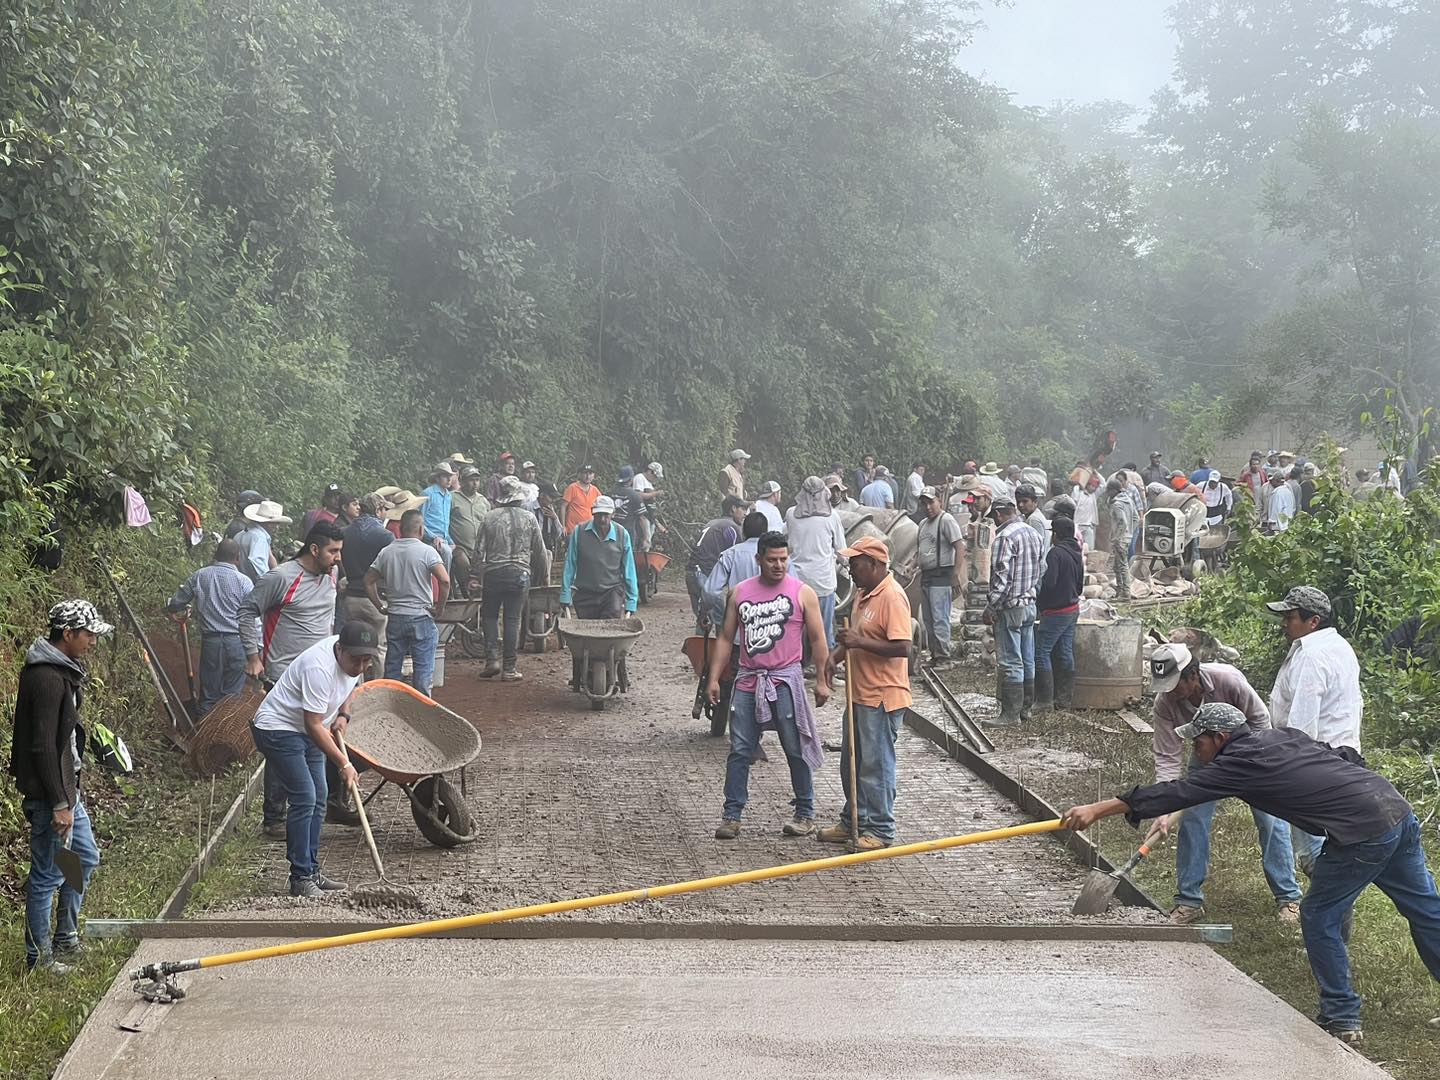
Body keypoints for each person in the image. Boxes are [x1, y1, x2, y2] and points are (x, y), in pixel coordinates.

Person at [1062, 701, 1440, 1046]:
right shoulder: (1280, 737)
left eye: (1199, 743)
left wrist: (1098, 809)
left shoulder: (1238, 764)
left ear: (1220, 738)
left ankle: (1342, 1017)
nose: (1197, 751)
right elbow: (1344, 755)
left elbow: (1181, 791)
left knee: (1319, 915)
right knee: (1425, 909)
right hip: (1395, 809)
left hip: (1362, 833)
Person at [1148, 645, 1302, 925]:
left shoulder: (1228, 680)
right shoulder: (1165, 704)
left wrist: (1251, 763)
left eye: (1174, 685)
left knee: (1271, 820)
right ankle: (1188, 901)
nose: (1169, 692)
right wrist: (1164, 807)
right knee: (1192, 819)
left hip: (1250, 757)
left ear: (1192, 675)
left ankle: (1288, 898)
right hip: (1205, 759)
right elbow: (1167, 756)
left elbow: (1260, 721)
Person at [11, 600, 112, 973]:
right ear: (67, 634)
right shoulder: (47, 677)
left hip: (68, 790)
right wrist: (57, 803)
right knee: (46, 875)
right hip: (52, 796)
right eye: (87, 635)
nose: (92, 642)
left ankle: (65, 937)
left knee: (83, 857)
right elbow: (41, 746)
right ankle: (39, 958)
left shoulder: (62, 670)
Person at [709, 532, 831, 840]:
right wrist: (713, 678)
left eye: (783, 559)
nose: (779, 565)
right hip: (749, 679)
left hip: (786, 680)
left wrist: (821, 680)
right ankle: (731, 815)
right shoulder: (739, 593)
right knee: (740, 749)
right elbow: (725, 637)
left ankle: (804, 813)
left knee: (795, 746)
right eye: (772, 559)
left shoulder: (803, 593)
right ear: (758, 559)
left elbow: (818, 639)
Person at [250, 625, 381, 898]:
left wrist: (344, 715)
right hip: (278, 729)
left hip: (307, 728)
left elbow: (348, 687)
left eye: (366, 660)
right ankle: (300, 878)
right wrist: (343, 763)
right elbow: (313, 724)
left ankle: (311, 870)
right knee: (305, 796)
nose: (360, 666)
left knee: (319, 796)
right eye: (355, 659)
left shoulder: (354, 658)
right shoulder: (318, 668)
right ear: (340, 649)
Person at [239, 521, 347, 834]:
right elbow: (247, 610)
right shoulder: (281, 577)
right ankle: (274, 817)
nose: (338, 557)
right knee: (286, 743)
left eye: (340, 551)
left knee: (315, 739)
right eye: (333, 551)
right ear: (315, 549)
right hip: (284, 675)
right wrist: (252, 655)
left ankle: (321, 806)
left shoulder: (331, 576)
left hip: (321, 676)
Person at [819, 536, 913, 851]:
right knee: (852, 762)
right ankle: (853, 820)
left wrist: (859, 643)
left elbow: (903, 648)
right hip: (859, 694)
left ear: (873, 564)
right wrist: (833, 657)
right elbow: (853, 638)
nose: (851, 571)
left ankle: (881, 829)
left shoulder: (892, 597)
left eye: (855, 564)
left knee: (875, 765)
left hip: (882, 696)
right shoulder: (863, 594)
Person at [1267, 586, 1363, 876]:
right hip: (1343, 756)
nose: (1285, 623)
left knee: (1315, 855)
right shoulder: (1339, 647)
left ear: (1314, 621)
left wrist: (1289, 766)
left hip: (1314, 759)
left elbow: (1303, 724)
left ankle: (1328, 916)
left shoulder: (1312, 655)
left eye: (1291, 617)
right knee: (1331, 848)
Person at [366, 508, 449, 696]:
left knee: (393, 669)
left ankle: (391, 708)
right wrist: (440, 608)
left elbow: (368, 581)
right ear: (421, 530)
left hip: (395, 616)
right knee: (423, 670)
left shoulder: (386, 552)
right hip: (421, 616)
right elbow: (444, 580)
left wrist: (380, 605)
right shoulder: (427, 552)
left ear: (401, 529)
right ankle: (422, 711)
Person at [165, 539, 254, 715]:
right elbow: (252, 619)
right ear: (237, 558)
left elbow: (177, 601)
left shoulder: (200, 575)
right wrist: (256, 651)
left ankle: (201, 737)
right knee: (232, 698)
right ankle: (225, 735)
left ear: (215, 554)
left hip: (211, 642)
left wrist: (173, 607)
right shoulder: (245, 582)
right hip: (237, 643)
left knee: (209, 696)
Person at [474, 476, 550, 680]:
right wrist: (543, 577)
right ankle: (509, 668)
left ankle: (492, 660)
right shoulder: (529, 519)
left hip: (494, 573)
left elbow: (478, 551)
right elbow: (540, 552)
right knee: (512, 619)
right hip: (520, 574)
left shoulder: (489, 517)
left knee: (490, 616)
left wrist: (474, 575)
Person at [984, 495, 1043, 726]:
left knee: (1010, 661)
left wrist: (991, 606)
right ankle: (1025, 709)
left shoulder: (1004, 538)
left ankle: (1009, 714)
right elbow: (1041, 569)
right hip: (1029, 605)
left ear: (999, 514)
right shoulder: (1033, 533)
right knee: (1027, 659)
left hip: (1010, 607)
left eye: (994, 518)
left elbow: (1002, 579)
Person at [784, 476, 847, 649]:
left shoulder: (791, 514)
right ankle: (826, 668)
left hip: (798, 582)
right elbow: (842, 550)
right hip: (823, 582)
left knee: (797, 626)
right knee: (824, 629)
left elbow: (785, 538)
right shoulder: (832, 516)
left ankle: (798, 666)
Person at [1034, 515, 1083, 712]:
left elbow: (1049, 583)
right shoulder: (1076, 553)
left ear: (1057, 534)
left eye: (1053, 533)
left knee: (1041, 653)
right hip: (1072, 609)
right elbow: (1079, 585)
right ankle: (1064, 701)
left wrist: (1042, 602)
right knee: (1064, 653)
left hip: (1055, 611)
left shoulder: (1055, 554)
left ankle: (1044, 701)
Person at [339, 492, 393, 664]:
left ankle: (356, 687)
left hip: (351, 597)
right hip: (376, 598)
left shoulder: (343, 532)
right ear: (378, 510)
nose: (385, 513)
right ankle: (380, 689)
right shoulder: (385, 536)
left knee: (353, 647)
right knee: (379, 647)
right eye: (384, 509)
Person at [916, 485, 963, 666]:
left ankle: (944, 657)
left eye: (931, 503)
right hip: (926, 577)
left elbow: (959, 546)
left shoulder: (946, 520)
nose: (928, 507)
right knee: (928, 619)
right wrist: (911, 567)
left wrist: (956, 574)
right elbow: (919, 551)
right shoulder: (922, 524)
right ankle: (935, 655)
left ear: (939, 502)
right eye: (924, 504)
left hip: (941, 576)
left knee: (940, 618)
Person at [703, 511, 774, 628]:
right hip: (770, 628)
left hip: (738, 627)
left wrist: (705, 611)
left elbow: (710, 591)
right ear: (766, 532)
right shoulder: (779, 557)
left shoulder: (730, 555)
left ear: (743, 531)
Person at [687, 496, 748, 630]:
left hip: (691, 573)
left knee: (704, 620)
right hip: (704, 574)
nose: (745, 513)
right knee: (723, 622)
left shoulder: (711, 523)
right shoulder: (731, 527)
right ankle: (723, 650)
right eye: (743, 509)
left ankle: (701, 650)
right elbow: (736, 557)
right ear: (733, 509)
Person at [449, 465, 491, 595]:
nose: (474, 483)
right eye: (471, 480)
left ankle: (478, 601)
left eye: (477, 480)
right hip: (459, 546)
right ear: (462, 481)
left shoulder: (483, 501)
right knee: (462, 562)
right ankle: (464, 594)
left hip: (479, 549)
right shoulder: (451, 498)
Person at [235, 499, 289, 582]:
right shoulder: (259, 537)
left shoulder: (241, 534)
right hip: (253, 585)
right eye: (274, 523)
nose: (276, 527)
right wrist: (268, 582)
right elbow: (256, 560)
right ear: (265, 522)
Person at [1106, 475, 1137, 601]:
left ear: (1114, 490)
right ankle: (1120, 591)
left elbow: (1122, 522)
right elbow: (1135, 518)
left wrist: (1117, 537)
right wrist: (1130, 531)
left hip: (1120, 539)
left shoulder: (1117, 504)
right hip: (1127, 537)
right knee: (1118, 565)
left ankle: (1125, 592)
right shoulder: (1128, 500)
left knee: (1122, 565)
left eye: (1108, 491)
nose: (1107, 494)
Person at [420, 461, 457, 568]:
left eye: (450, 476)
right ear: (437, 478)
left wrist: (451, 541)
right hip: (429, 539)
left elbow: (445, 523)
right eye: (445, 476)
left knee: (456, 552)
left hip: (444, 539)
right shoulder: (428, 494)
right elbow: (419, 521)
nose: (449, 479)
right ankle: (445, 582)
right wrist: (433, 537)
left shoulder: (448, 496)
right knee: (446, 552)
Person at [562, 464, 602, 535]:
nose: (588, 476)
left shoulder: (595, 490)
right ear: (579, 474)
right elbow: (563, 506)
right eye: (585, 473)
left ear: (593, 475)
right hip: (573, 529)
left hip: (589, 530)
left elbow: (602, 505)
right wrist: (563, 526)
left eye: (590, 473)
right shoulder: (572, 488)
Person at [1070, 472, 1100, 550]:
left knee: (1089, 549)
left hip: (1088, 526)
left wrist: (1095, 472)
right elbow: (1076, 488)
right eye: (1092, 486)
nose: (1093, 488)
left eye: (1095, 487)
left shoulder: (1093, 495)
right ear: (1087, 484)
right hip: (1077, 525)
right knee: (1075, 547)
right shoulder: (1079, 493)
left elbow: (1103, 485)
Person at [1016, 485, 1048, 556]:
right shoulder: (1033, 516)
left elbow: (1036, 550)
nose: (1020, 505)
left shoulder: (1033, 520)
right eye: (1018, 502)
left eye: (1025, 501)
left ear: (1035, 502)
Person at [1238, 451, 1267, 517]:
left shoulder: (1262, 473)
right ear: (1250, 465)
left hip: (1260, 497)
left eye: (1257, 464)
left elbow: (1266, 483)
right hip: (1250, 498)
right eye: (1254, 464)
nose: (1256, 466)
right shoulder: (1246, 474)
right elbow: (1238, 483)